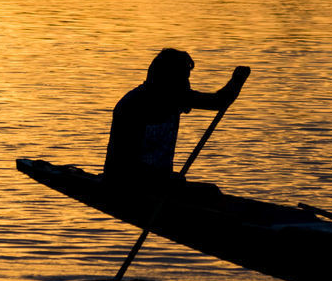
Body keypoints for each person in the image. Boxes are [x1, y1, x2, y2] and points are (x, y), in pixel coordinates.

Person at [103, 49, 249, 182]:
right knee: (209, 193)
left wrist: (237, 81)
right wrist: (237, 80)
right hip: (126, 179)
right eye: (184, 77)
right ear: (169, 77)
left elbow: (219, 102)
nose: (187, 83)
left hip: (154, 180)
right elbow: (127, 160)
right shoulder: (136, 104)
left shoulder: (173, 96)